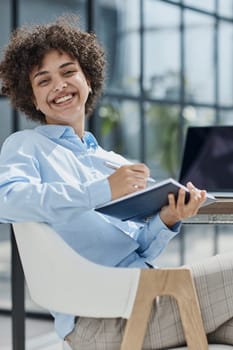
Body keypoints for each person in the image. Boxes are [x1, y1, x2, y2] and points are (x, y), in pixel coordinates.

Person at [0, 15, 232, 350]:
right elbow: (8, 200)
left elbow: (138, 248)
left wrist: (168, 219)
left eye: (68, 72)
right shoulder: (27, 146)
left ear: (88, 79)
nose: (60, 85)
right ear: (32, 99)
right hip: (103, 320)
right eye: (43, 80)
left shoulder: (114, 163)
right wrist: (102, 190)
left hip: (149, 298)